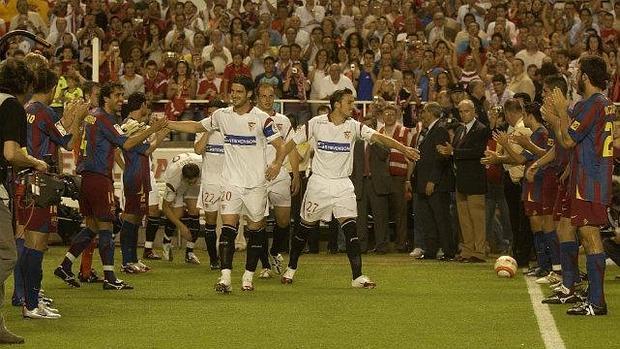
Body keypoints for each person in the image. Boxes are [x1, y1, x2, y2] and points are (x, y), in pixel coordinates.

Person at [279, 88, 420, 288]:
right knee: (304, 227)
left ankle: (357, 277)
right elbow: (290, 143)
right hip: (319, 183)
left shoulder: (354, 126)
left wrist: (404, 148)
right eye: (349, 102)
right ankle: (291, 268)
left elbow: (380, 138)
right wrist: (277, 163)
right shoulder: (315, 123)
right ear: (337, 104)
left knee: (350, 228)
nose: (352, 107)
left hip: (343, 184)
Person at [167, 76, 288, 293]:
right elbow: (196, 126)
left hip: (256, 185)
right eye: (232, 91)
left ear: (249, 94)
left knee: (255, 230)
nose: (234, 95)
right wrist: (169, 124)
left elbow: (280, 146)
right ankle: (225, 277)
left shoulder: (262, 119)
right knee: (229, 229)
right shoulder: (221, 116)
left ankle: (248, 276)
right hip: (231, 183)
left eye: (239, 91)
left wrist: (278, 164)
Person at [54, 82, 167, 290]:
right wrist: (154, 129)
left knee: (92, 227)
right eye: (117, 95)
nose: (120, 99)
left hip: (87, 175)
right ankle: (110, 276)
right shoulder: (105, 119)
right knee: (106, 226)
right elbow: (127, 144)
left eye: (122, 94)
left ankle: (66, 264)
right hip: (99, 176)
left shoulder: (92, 116)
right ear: (106, 98)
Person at [542, 55, 614, 316]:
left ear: (585, 77)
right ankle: (592, 297)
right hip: (594, 176)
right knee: (586, 233)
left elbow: (568, 141)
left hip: (590, 179)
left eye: (576, 73)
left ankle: (596, 302)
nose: (573, 78)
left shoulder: (591, 104)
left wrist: (561, 113)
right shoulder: (604, 104)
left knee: (589, 235)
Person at [16, 67, 88, 319]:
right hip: (38, 181)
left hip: (23, 180)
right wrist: (78, 118)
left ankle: (26, 296)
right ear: (53, 88)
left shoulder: (25, 109)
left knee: (26, 240)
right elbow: (68, 142)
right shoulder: (43, 111)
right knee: (37, 242)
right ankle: (31, 304)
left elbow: (54, 133)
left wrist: (67, 119)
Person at [0, 57, 46, 344]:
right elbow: (10, 153)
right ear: (25, 84)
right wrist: (35, 161)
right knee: (6, 254)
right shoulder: (11, 105)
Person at [117, 92, 168, 273]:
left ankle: (133, 258)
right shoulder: (129, 125)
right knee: (130, 217)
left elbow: (148, 148)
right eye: (147, 104)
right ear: (142, 105)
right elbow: (143, 151)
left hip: (142, 173)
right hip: (135, 174)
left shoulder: (138, 125)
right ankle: (126, 261)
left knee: (137, 218)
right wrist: (155, 130)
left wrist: (162, 132)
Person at [255, 83, 301, 276]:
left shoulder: (283, 120)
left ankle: (274, 252)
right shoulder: (252, 118)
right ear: (257, 97)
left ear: (275, 98)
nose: (267, 99)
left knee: (283, 220)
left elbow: (291, 148)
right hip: (257, 175)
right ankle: (265, 265)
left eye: (270, 96)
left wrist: (296, 175)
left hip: (280, 174)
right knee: (259, 222)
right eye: (263, 96)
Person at [438, 99, 489, 263]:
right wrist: (449, 152)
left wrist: (453, 152)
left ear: (474, 111)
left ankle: (479, 251)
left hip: (475, 179)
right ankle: (467, 250)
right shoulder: (460, 130)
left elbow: (477, 151)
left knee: (477, 218)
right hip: (461, 180)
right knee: (464, 219)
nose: (463, 114)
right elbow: (458, 151)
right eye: (461, 111)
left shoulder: (481, 129)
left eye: (466, 111)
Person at [412, 102, 455, 260]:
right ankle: (431, 250)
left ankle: (449, 251)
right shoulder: (430, 131)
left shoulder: (440, 130)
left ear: (431, 113)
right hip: (424, 183)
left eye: (424, 111)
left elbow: (441, 158)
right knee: (428, 218)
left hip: (436, 184)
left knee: (441, 218)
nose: (422, 115)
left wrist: (432, 181)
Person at [194, 100, 229, 269]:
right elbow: (198, 150)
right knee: (210, 222)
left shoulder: (230, 129)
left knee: (229, 222)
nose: (212, 117)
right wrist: (208, 131)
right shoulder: (202, 129)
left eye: (215, 114)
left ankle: (224, 259)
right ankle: (213, 259)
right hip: (210, 182)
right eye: (210, 114)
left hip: (229, 182)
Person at [160, 152, 202, 264]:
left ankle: (189, 252)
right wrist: (182, 227)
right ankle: (166, 241)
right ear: (184, 177)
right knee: (177, 215)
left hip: (193, 175)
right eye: (189, 181)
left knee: (195, 211)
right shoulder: (173, 179)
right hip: (178, 182)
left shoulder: (204, 166)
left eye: (194, 181)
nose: (191, 183)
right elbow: (165, 207)